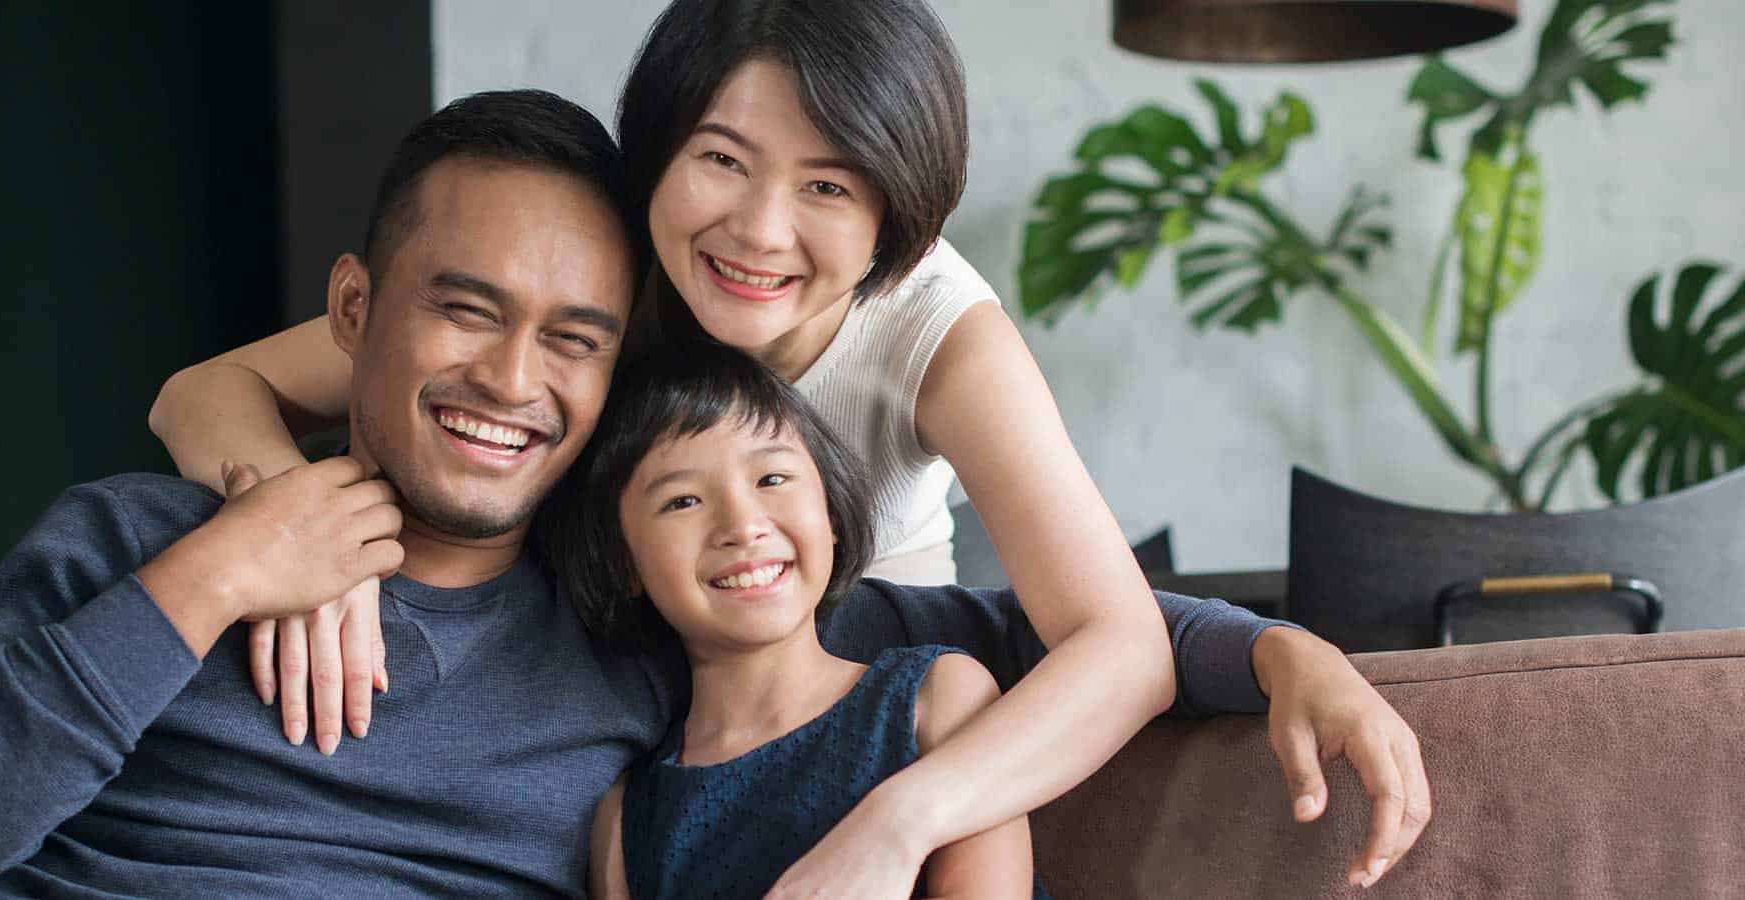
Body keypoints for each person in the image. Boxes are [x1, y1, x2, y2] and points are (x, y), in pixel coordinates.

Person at [0, 89, 1351, 899]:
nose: (511, 380)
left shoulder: (631, 618)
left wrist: (1281, 651)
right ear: (352, 309)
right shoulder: (136, 537)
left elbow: (1042, 630)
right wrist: (224, 570)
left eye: (574, 342)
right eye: (465, 310)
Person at [148, 0, 1430, 890]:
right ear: (653, 157)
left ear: (899, 214)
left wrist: (896, 823)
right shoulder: (596, 284)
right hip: (619, 712)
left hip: (841, 711)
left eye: (828, 184)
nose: (758, 232)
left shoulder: (939, 338)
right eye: (718, 160)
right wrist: (293, 532)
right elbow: (204, 392)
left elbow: (1104, 643)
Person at [552, 343, 1049, 898]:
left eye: (771, 479)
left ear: (831, 513)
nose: (743, 525)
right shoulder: (627, 819)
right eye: (683, 501)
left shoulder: (935, 698)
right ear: (624, 563)